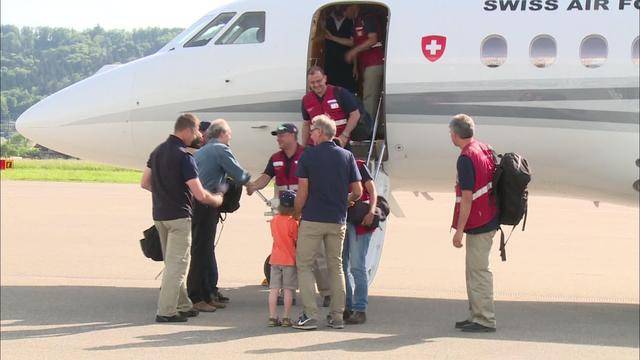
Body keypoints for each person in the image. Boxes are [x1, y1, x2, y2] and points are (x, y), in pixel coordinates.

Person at [140, 113, 223, 323]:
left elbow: (145, 183)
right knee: (178, 265)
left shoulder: (157, 152)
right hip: (179, 217)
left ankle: (183, 304)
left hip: (159, 215)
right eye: (196, 131)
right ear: (187, 130)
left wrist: (163, 195)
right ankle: (166, 311)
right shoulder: (184, 157)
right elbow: (199, 194)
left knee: (172, 261)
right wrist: (217, 199)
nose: (198, 135)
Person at [246, 123, 332, 307]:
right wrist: (253, 186)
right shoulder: (275, 158)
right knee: (285, 252)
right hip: (283, 210)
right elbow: (266, 177)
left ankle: (327, 292)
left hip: (306, 207)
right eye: (277, 135)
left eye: (282, 135)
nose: (278, 138)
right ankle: (288, 293)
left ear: (293, 135)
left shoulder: (307, 154)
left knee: (317, 252)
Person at [292, 114, 362, 330]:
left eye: (312, 130)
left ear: (320, 132)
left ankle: (311, 315)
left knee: (304, 265)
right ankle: (337, 316)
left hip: (313, 218)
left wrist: (296, 212)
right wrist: (346, 201)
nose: (310, 133)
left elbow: (302, 192)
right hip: (337, 219)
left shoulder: (308, 156)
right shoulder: (346, 156)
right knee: (336, 267)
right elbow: (358, 192)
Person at [187, 118, 251, 312]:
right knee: (201, 251)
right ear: (222, 134)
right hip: (205, 205)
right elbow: (239, 174)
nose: (230, 136)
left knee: (205, 250)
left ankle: (207, 295)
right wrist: (251, 184)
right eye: (229, 133)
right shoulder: (220, 149)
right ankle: (196, 297)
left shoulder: (205, 149)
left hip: (200, 203)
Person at [449, 114, 499, 333]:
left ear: (455, 134)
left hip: (480, 220)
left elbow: (467, 197)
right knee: (474, 270)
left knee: (478, 271)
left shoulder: (466, 158)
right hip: (487, 215)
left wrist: (459, 231)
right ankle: (476, 314)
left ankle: (485, 319)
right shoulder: (482, 147)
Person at [330, 5, 384, 119]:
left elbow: (372, 39)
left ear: (353, 6)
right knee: (368, 94)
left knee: (369, 96)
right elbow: (353, 42)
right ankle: (374, 126)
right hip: (364, 64)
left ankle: (368, 128)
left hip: (374, 62)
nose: (344, 14)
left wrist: (353, 52)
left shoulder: (367, 17)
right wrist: (332, 38)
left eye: (344, 9)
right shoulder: (355, 22)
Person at [343, 159, 377, 325]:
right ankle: (347, 306)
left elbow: (372, 189)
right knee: (342, 266)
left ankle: (360, 309)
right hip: (342, 220)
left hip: (359, 221)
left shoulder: (358, 165)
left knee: (357, 266)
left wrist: (371, 211)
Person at [300, 66, 361, 148]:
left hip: (339, 144)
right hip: (316, 146)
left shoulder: (340, 93)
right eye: (312, 82)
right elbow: (306, 124)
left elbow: (355, 114)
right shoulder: (306, 100)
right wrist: (303, 147)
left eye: (319, 81)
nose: (316, 85)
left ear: (325, 78)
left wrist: (345, 135)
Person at [267, 190, 299, 327]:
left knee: (274, 289)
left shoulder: (273, 221)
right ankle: (286, 317)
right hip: (289, 260)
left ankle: (272, 316)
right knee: (288, 289)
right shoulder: (293, 223)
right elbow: (296, 239)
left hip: (275, 259)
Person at [323, 5, 356, 93]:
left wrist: (355, 65)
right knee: (331, 90)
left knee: (347, 90)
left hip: (346, 61)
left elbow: (353, 43)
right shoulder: (326, 20)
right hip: (329, 61)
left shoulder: (351, 21)